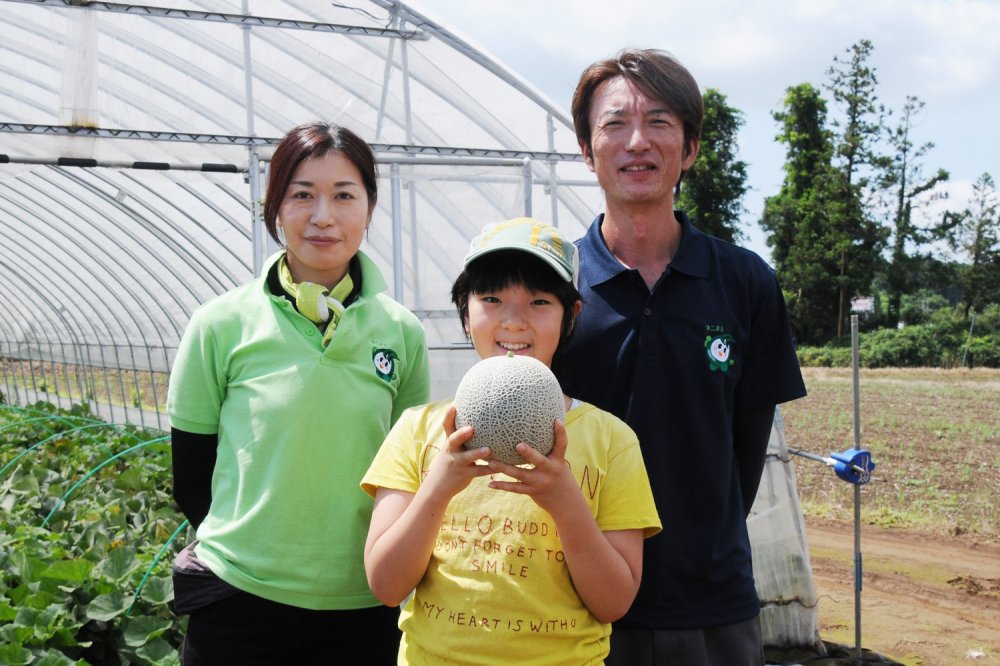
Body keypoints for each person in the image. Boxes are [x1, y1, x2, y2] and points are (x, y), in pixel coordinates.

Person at [552, 48, 808, 666]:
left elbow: (747, 446)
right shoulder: (554, 284)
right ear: (588, 149)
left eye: (660, 121)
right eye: (614, 124)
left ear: (690, 147)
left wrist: (703, 534)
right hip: (570, 600)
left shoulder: (744, 281)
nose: (637, 141)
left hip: (711, 604)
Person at [167, 122, 431, 665]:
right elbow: (191, 474)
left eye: (343, 196)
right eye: (302, 195)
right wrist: (255, 552)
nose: (323, 216)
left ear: (369, 207)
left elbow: (410, 473)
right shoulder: (220, 323)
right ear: (276, 208)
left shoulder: (402, 333)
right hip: (237, 603)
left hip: (364, 605)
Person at [361, 217, 661, 665]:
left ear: (572, 315)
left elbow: (614, 602)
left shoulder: (611, 440)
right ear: (465, 311)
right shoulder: (418, 430)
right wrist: (439, 486)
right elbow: (386, 587)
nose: (514, 320)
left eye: (539, 301)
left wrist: (566, 503)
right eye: (491, 298)